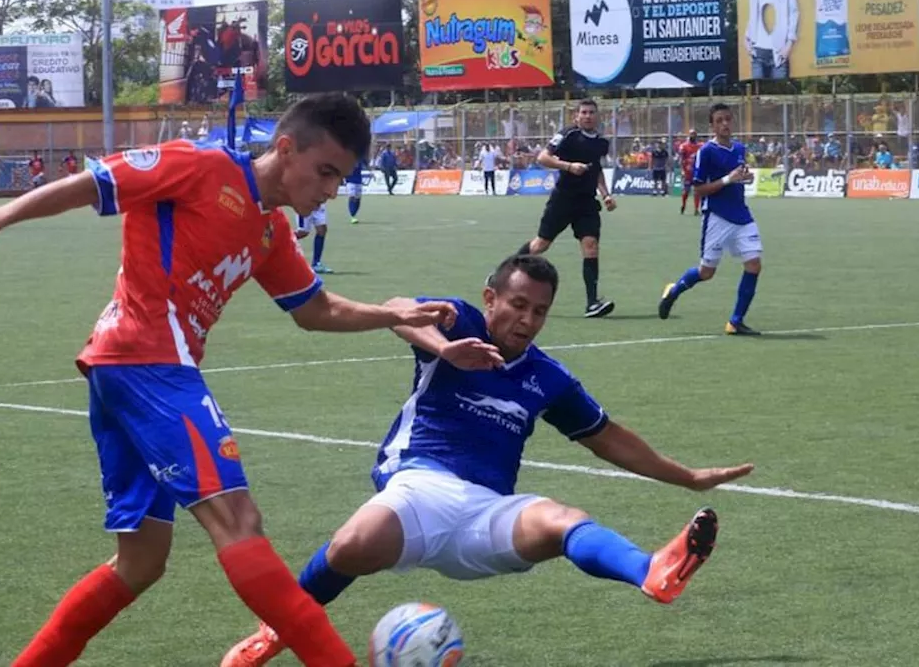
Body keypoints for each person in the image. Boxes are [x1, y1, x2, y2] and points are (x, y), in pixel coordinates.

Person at [0, 93, 457, 667]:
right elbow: (95, 182)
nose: (331, 188)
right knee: (238, 521)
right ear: (286, 149)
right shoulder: (203, 166)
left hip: (127, 370)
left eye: (341, 177)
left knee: (141, 563)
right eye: (325, 171)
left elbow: (314, 310)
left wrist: (393, 314)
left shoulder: (270, 232)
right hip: (149, 360)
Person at [220, 255, 754, 667]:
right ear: (491, 298)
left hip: (486, 514)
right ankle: (276, 633)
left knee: (561, 520)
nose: (527, 320)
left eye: (539, 311)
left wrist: (688, 478)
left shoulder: (549, 378)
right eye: (518, 305)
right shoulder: (460, 321)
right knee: (352, 544)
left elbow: (609, 439)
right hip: (420, 487)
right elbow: (400, 309)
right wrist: (444, 347)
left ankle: (652, 572)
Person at [658, 103, 763, 336]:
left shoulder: (739, 148)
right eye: (719, 120)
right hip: (717, 216)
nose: (725, 124)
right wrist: (728, 179)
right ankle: (674, 291)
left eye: (728, 119)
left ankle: (735, 321)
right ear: (712, 125)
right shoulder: (706, 152)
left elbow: (738, 177)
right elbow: (699, 190)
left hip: (742, 215)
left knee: (754, 265)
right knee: (706, 272)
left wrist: (743, 178)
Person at [517, 98, 617, 319]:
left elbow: (596, 169)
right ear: (577, 116)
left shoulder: (601, 142)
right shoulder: (568, 134)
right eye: (584, 112)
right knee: (540, 245)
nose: (588, 116)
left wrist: (606, 194)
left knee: (591, 246)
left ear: (597, 116)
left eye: (592, 112)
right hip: (563, 199)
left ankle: (592, 303)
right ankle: (503, 275)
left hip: (587, 203)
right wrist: (569, 166)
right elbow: (543, 157)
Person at [295, 203, 333, 274]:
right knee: (302, 232)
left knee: (322, 230)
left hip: (319, 205)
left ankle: (316, 263)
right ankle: (281, 240)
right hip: (305, 206)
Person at [678, 130, 702, 214]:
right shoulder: (684, 146)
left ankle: (696, 209)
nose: (693, 136)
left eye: (695, 134)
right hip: (687, 171)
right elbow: (680, 159)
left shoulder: (700, 146)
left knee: (697, 191)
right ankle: (683, 205)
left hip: (696, 171)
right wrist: (682, 170)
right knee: (686, 191)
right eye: (692, 134)